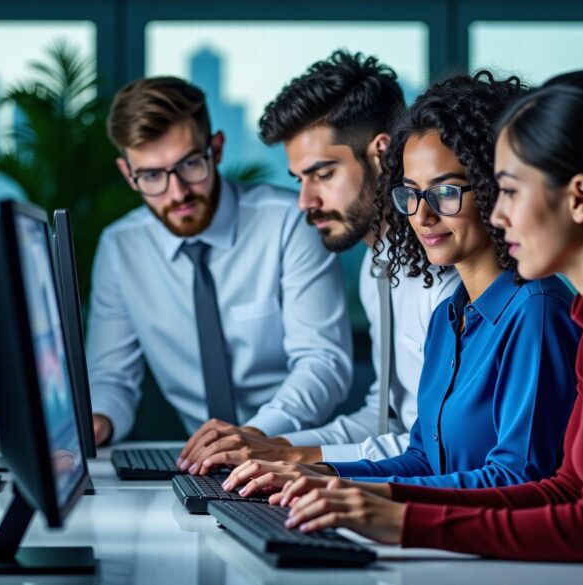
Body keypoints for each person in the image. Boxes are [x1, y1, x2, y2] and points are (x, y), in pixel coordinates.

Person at [266, 70, 583, 584]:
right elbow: (563, 488)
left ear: (579, 199)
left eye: (510, 191)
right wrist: (374, 494)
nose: (500, 215)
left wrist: (400, 520)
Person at [223, 72, 581, 492]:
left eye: (445, 192)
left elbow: (520, 478)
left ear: (493, 187)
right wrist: (319, 474)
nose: (422, 216)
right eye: (410, 193)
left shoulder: (535, 309)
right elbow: (422, 456)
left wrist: (362, 492)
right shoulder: (451, 317)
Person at [175, 50, 457, 475]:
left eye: (323, 175)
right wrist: (267, 444)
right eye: (299, 180)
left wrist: (295, 458)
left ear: (382, 155)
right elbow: (385, 421)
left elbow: (442, 447)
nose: (305, 202)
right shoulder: (376, 266)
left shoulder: (449, 273)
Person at [85, 76, 353, 446]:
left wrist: (256, 435)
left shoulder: (289, 222)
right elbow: (111, 377)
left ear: (217, 149)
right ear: (128, 175)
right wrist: (95, 422)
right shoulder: (120, 248)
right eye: (151, 176)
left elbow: (323, 361)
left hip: (294, 450)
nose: (177, 193)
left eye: (190, 164)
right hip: (200, 460)